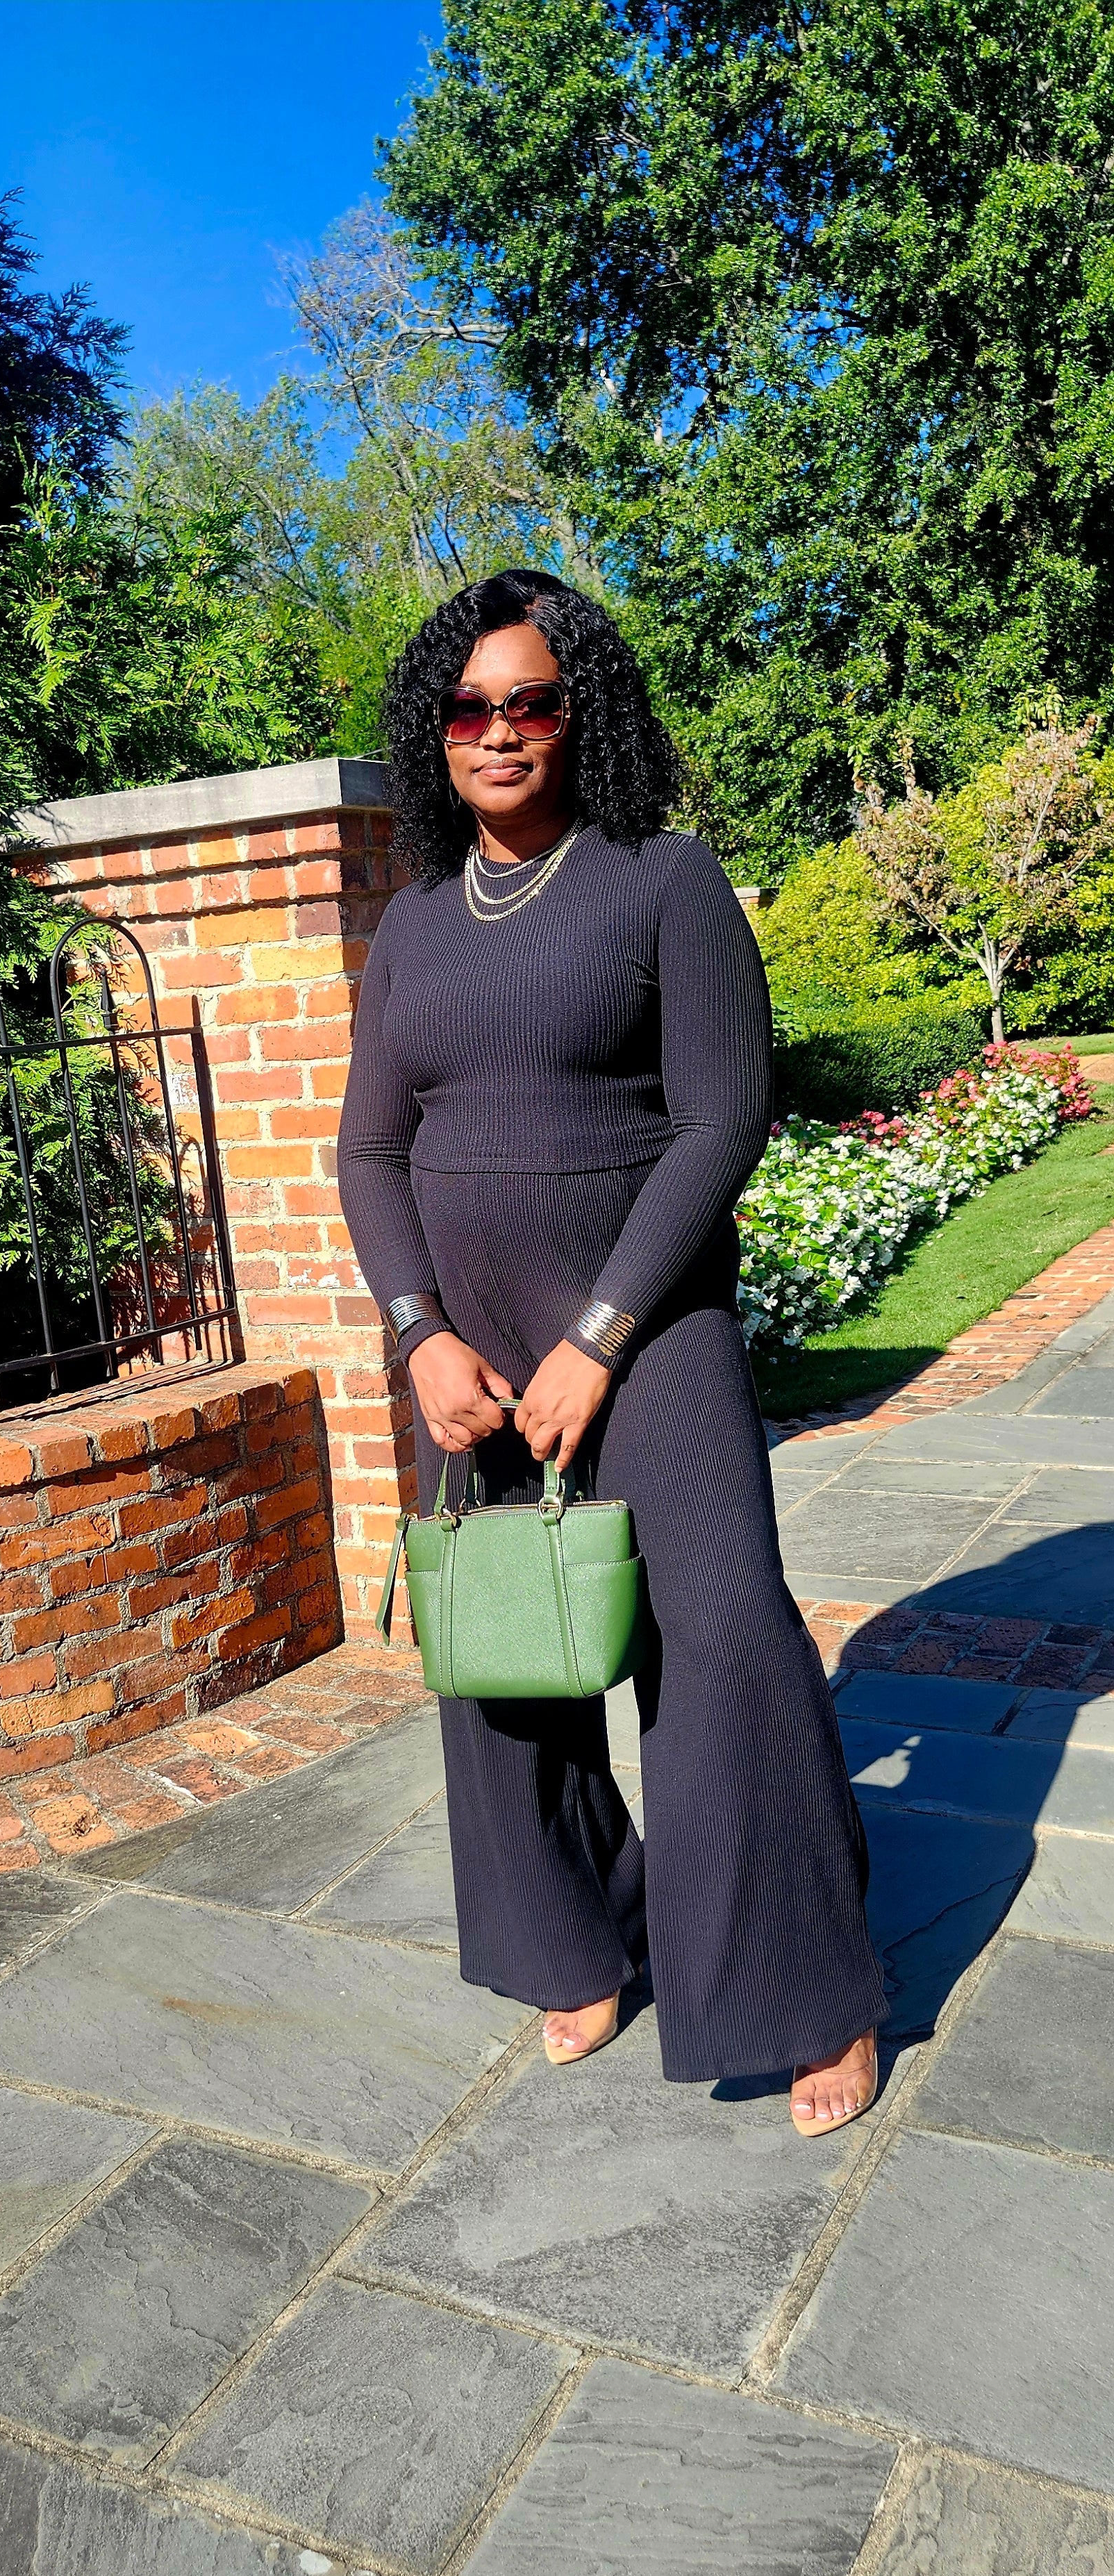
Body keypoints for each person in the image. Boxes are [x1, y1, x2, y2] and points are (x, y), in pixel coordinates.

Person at [337, 569, 885, 2135]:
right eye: (468, 708)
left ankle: (801, 1985)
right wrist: (419, 1334)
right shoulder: (417, 928)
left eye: (531, 701)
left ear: (583, 712)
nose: (499, 732)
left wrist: (601, 1334)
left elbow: (722, 1121)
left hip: (649, 1331)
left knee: (716, 1646)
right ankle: (579, 1936)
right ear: (433, 731)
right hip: (469, 1357)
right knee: (508, 1653)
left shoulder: (662, 877)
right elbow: (370, 1152)